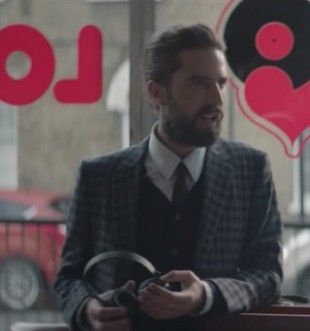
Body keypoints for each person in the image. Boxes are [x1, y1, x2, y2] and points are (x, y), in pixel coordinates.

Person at [54, 24, 283, 331]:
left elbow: (267, 275)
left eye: (221, 84)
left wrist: (206, 293)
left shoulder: (251, 169)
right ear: (156, 92)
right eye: (199, 84)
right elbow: (69, 278)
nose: (216, 100)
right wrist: (87, 310)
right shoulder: (99, 176)